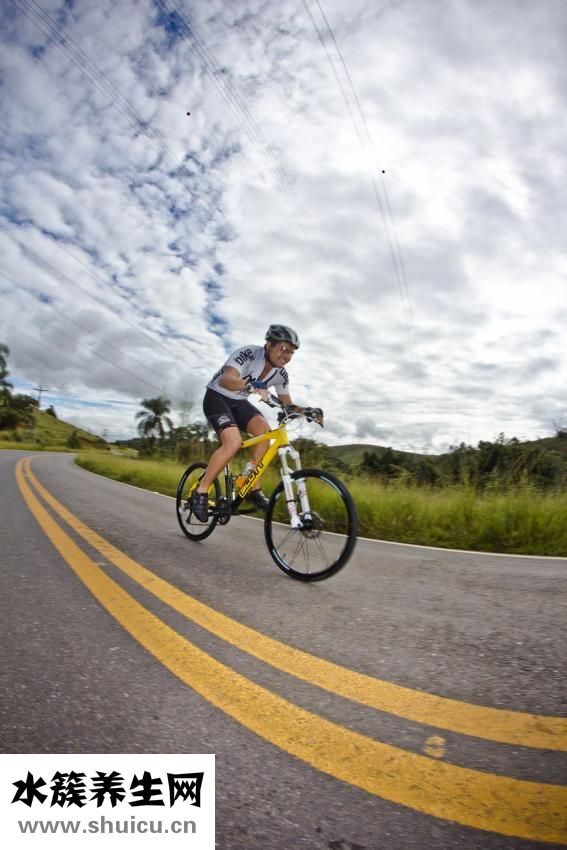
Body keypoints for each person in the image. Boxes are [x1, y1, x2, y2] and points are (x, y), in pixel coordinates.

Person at [190, 324, 300, 522]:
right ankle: (201, 490)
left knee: (264, 433)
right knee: (232, 443)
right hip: (217, 397)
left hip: (239, 402)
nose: (286, 355)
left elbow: (287, 404)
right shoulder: (249, 353)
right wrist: (250, 385)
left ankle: (250, 485)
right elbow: (226, 379)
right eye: (282, 349)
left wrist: (306, 411)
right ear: (269, 345)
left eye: (290, 352)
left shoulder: (281, 374)